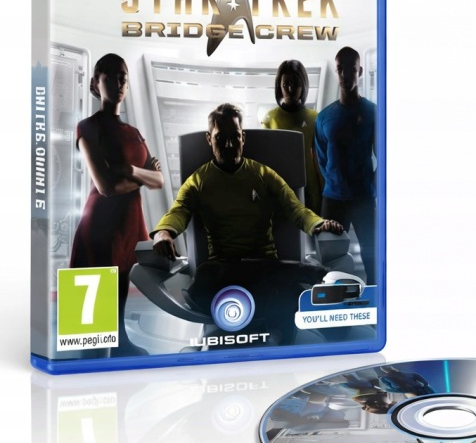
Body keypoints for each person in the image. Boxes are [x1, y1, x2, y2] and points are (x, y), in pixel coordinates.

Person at [151, 103, 343, 342]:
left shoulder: (263, 174)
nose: (229, 145)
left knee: (279, 285)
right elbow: (178, 211)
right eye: (220, 138)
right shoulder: (198, 181)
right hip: (223, 269)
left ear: (243, 137)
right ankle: (310, 276)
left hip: (266, 265)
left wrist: (318, 224)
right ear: (209, 139)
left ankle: (305, 297)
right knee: (206, 277)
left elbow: (296, 209)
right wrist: (163, 233)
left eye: (235, 137)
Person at [70, 53, 164, 356]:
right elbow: (106, 187)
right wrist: (144, 176)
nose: (119, 81)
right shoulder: (87, 127)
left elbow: (160, 180)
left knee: (119, 302)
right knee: (89, 338)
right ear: (95, 83)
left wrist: (130, 170)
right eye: (110, 76)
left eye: (123, 76)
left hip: (127, 226)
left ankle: (121, 344)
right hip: (99, 228)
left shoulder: (134, 133)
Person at [314, 46, 377, 284]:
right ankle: (332, 304)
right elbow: (321, 158)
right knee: (329, 263)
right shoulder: (324, 117)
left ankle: (374, 303)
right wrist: (334, 183)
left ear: (359, 71)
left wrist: (372, 184)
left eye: (351, 69)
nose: (344, 75)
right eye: (340, 69)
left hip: (363, 199)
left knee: (373, 260)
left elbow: (384, 155)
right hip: (333, 200)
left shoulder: (372, 112)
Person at [261, 59, 323, 215]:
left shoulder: (315, 118)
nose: (290, 89)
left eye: (296, 84)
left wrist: (324, 192)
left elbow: (319, 161)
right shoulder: (269, 119)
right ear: (279, 86)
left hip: (310, 190)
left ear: (303, 86)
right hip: (280, 189)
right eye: (286, 84)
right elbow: (265, 162)